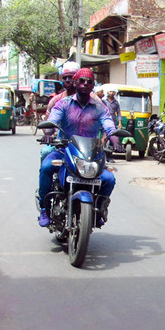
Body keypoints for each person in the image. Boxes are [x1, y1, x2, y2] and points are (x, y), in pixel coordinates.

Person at [37, 67, 117, 227]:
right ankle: (44, 208)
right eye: (81, 81)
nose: (85, 84)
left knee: (109, 179)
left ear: (93, 85)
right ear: (75, 82)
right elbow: (53, 120)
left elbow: (109, 125)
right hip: (64, 151)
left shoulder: (99, 107)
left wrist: (115, 140)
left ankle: (99, 208)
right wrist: (48, 130)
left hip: (90, 155)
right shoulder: (64, 103)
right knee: (46, 167)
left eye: (89, 82)